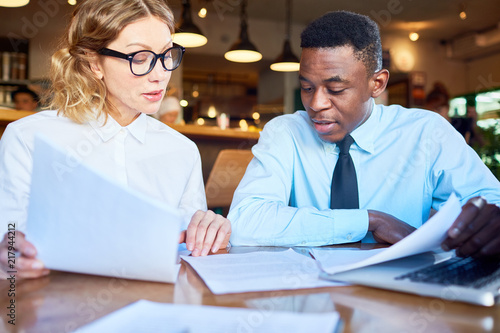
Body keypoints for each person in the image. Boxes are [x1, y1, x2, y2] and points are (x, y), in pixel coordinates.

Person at [228, 11, 500, 259]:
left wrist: (487, 223)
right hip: (309, 294)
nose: (315, 104)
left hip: (400, 298)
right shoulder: (286, 132)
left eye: (335, 89)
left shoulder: (426, 133)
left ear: (377, 84)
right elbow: (245, 221)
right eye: (307, 87)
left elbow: (489, 203)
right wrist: (370, 220)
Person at [0, 0, 230, 279]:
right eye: (140, 58)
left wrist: (209, 229)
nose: (160, 75)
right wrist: (10, 258)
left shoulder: (182, 151)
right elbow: (9, 244)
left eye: (167, 54)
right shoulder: (28, 139)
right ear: (93, 62)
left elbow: (190, 253)